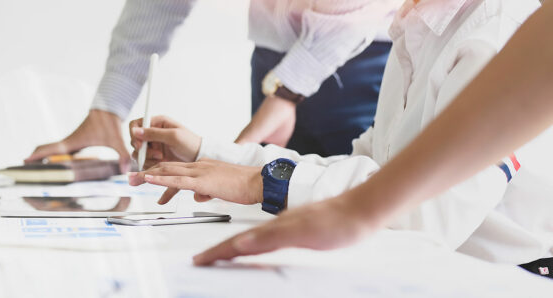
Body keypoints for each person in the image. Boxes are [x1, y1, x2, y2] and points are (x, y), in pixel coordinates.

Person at [129, 0, 549, 268]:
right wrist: (210, 154)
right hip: (427, 266)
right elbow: (367, 167)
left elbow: (429, 216)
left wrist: (264, 183)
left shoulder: (496, 30)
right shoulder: (417, 26)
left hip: (504, 278)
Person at [26, 0, 403, 172]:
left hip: (363, 56)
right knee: (274, 201)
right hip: (273, 59)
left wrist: (289, 90)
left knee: (365, 201)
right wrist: (108, 108)